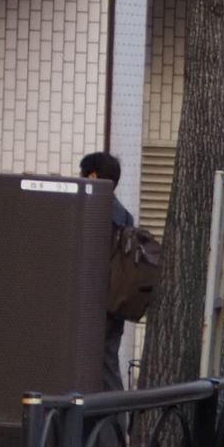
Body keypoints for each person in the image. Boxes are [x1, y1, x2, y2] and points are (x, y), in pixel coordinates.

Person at [80, 152, 131, 392]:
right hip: (114, 303)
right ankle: (114, 426)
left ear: (92, 176)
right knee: (107, 364)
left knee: (83, 366)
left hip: (90, 303)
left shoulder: (89, 212)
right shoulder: (124, 216)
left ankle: (104, 425)